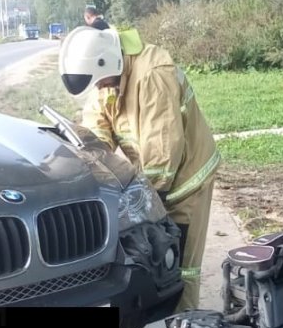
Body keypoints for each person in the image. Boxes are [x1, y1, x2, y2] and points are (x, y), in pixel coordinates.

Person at [59, 23, 220, 311]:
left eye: (102, 82)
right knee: (154, 262)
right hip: (156, 181)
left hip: (186, 183)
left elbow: (162, 154)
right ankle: (158, 327)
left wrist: (143, 207)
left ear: (112, 62)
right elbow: (96, 133)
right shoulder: (108, 77)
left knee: (179, 266)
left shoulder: (153, 75)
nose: (101, 89)